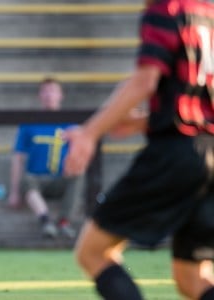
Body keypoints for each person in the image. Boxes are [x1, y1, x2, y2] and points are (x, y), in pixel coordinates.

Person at [63, 0, 214, 299]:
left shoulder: (166, 10)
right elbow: (198, 100)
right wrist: (143, 123)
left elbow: (145, 81)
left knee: (92, 252)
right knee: (192, 278)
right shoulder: (208, 13)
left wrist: (90, 133)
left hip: (179, 154)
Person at [8, 77, 83, 239]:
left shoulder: (70, 123)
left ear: (61, 95)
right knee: (27, 180)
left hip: (60, 179)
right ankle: (46, 221)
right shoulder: (29, 123)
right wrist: (14, 192)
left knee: (78, 175)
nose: (49, 95)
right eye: (46, 91)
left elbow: (80, 153)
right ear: (40, 95)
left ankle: (64, 222)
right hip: (36, 180)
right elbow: (18, 157)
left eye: (53, 91)